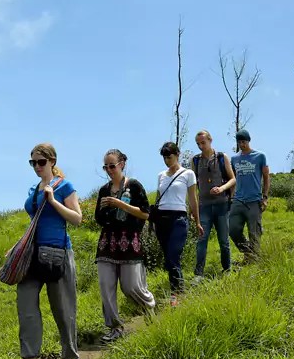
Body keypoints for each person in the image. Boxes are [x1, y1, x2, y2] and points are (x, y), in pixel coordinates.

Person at [9, 143, 82, 359]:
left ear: (52, 161)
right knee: (26, 304)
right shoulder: (33, 188)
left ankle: (70, 357)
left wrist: (53, 201)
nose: (37, 167)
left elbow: (77, 219)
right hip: (32, 254)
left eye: (41, 162)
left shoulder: (64, 186)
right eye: (33, 163)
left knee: (63, 308)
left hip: (57, 253)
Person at [94, 149, 156, 343]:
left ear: (122, 164)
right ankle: (115, 327)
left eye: (112, 166)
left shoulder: (134, 186)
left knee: (131, 287)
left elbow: (146, 214)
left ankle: (149, 306)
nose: (109, 170)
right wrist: (105, 209)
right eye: (106, 166)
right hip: (107, 243)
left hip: (130, 242)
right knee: (106, 286)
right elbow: (98, 218)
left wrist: (121, 205)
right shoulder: (104, 190)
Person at [153, 142, 203, 306]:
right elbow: (158, 198)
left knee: (174, 254)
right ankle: (176, 290)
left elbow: (193, 199)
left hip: (179, 218)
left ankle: (177, 294)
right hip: (161, 218)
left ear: (178, 154)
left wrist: (197, 221)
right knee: (168, 258)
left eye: (170, 157)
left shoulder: (188, 174)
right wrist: (152, 221)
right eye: (165, 158)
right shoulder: (161, 175)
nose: (167, 161)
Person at [190, 130, 236, 282]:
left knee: (224, 240)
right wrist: (193, 208)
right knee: (202, 240)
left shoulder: (222, 158)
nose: (200, 146)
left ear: (210, 140)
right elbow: (193, 187)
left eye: (203, 142)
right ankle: (198, 274)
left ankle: (227, 269)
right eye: (198, 143)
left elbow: (232, 179)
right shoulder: (195, 161)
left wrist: (222, 188)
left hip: (222, 205)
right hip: (204, 207)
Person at [228, 129, 269, 263]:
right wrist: (231, 197)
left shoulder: (260, 156)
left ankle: (254, 261)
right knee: (233, 229)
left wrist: (265, 197)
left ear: (248, 141)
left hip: (254, 201)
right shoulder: (234, 159)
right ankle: (248, 252)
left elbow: (266, 177)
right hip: (238, 200)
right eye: (240, 142)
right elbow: (233, 178)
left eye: (244, 141)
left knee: (254, 232)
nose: (242, 144)